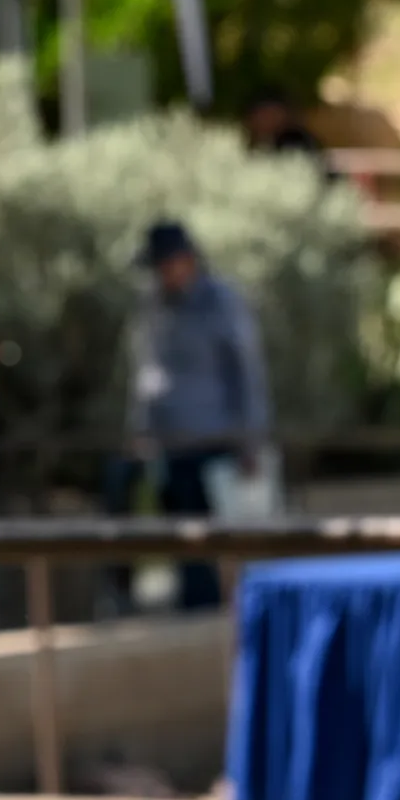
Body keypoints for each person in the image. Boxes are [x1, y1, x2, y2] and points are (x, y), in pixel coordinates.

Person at [127, 219, 269, 611]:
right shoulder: (153, 306)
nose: (161, 274)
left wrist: (250, 442)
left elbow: (246, 374)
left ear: (187, 260)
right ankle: (194, 611)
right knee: (184, 541)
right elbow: (147, 371)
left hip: (217, 442)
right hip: (171, 445)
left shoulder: (222, 302)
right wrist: (140, 428)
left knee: (227, 539)